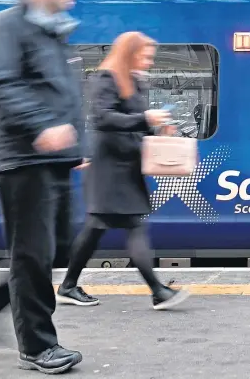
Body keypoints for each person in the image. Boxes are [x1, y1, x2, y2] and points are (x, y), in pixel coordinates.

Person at [0, 0, 85, 374]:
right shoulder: (6, 27)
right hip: (21, 159)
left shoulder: (51, 33)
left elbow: (64, 97)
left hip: (52, 159)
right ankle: (38, 347)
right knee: (32, 254)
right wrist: (43, 127)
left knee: (58, 247)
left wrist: (78, 147)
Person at [55, 31, 190, 311]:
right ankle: (158, 291)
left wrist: (158, 128)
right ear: (130, 53)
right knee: (133, 226)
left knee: (96, 229)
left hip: (124, 166)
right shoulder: (106, 78)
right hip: (110, 168)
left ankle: (68, 286)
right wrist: (145, 118)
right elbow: (104, 118)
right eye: (145, 55)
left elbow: (132, 122)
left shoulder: (134, 81)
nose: (150, 62)